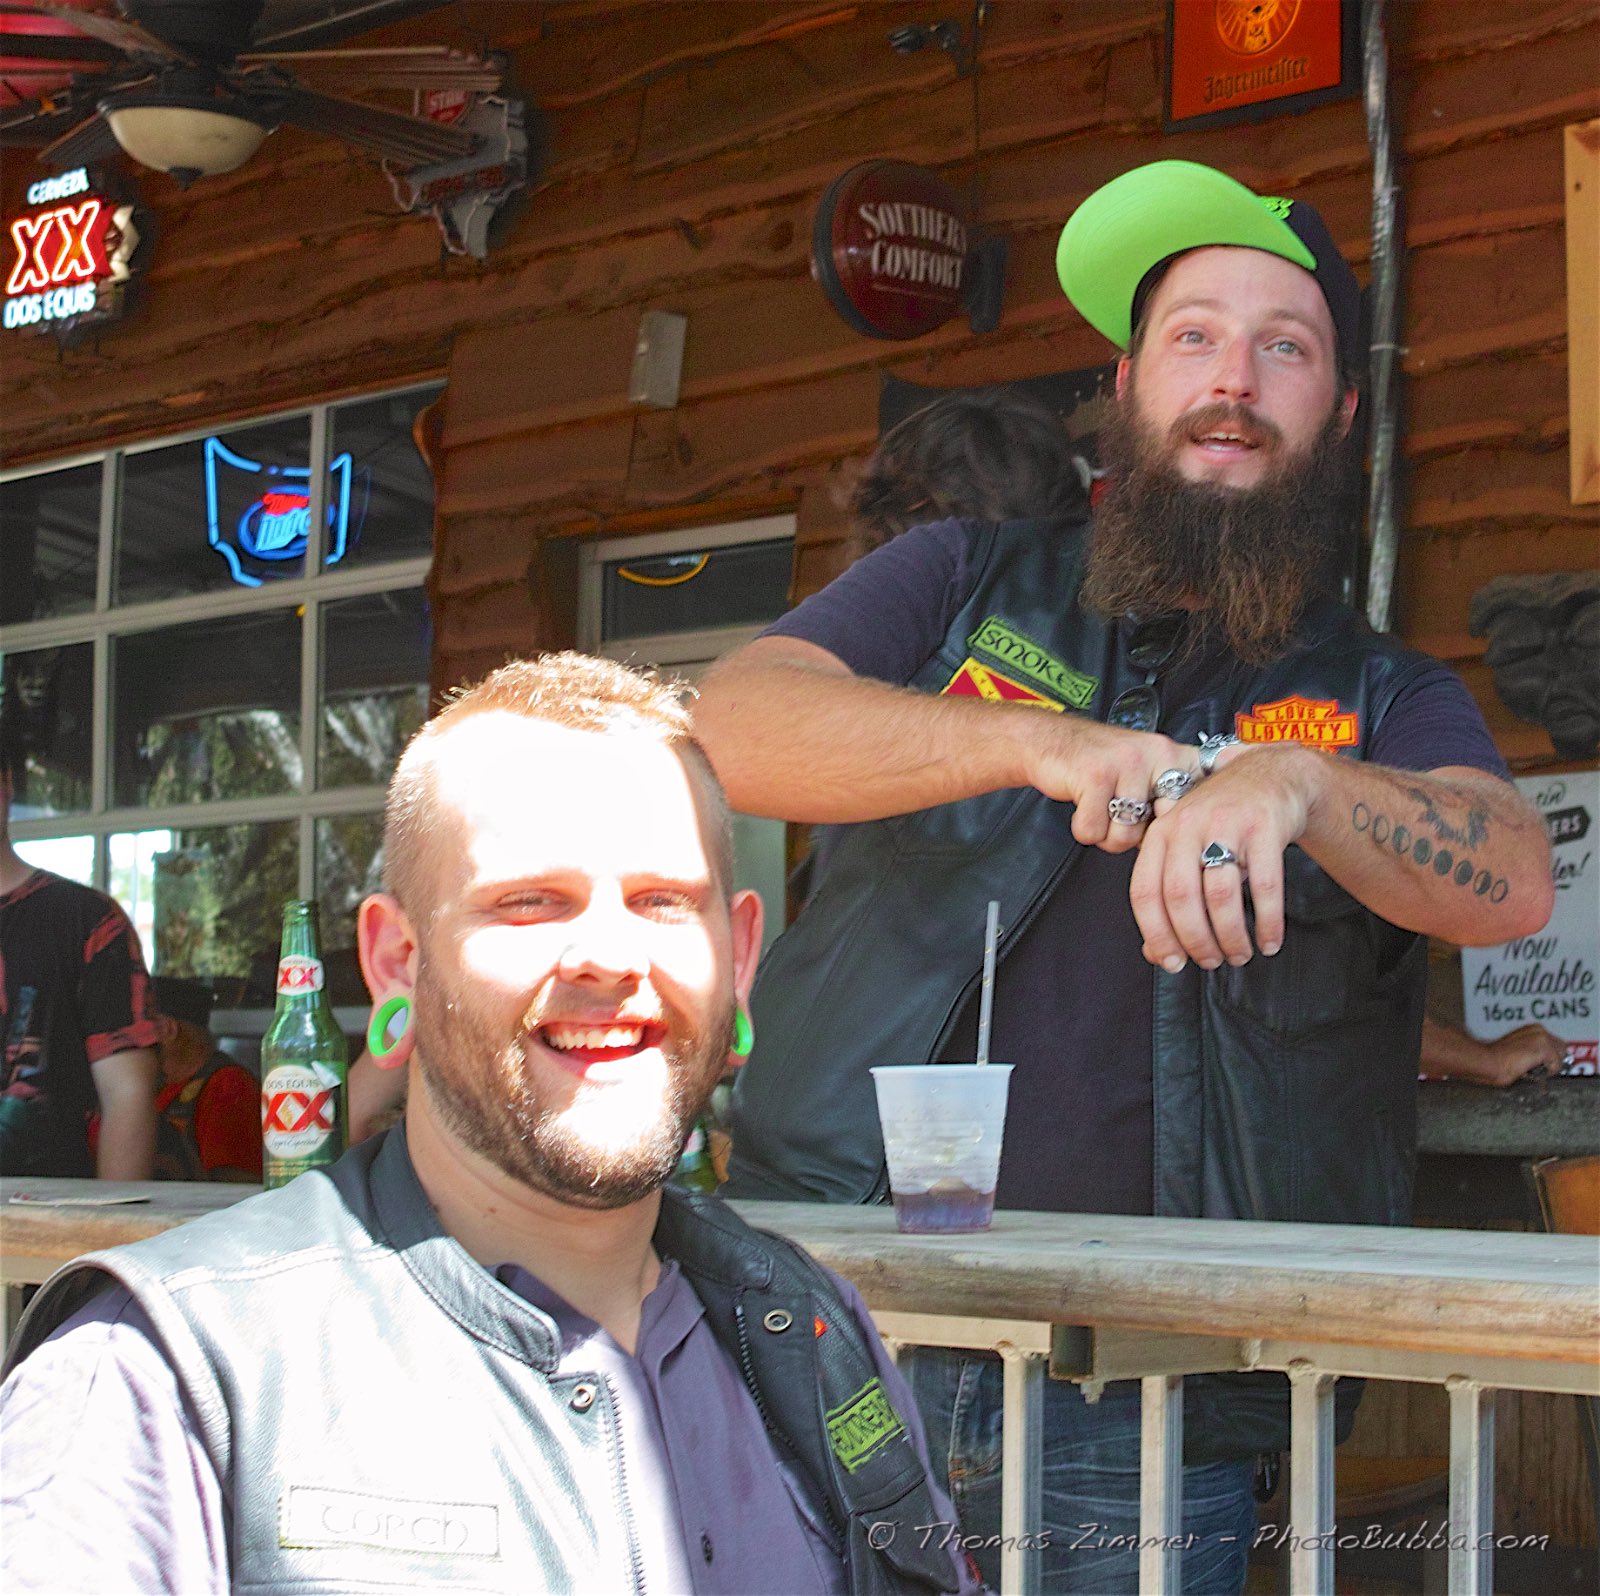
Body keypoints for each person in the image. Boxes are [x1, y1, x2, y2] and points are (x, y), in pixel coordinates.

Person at [694, 159, 1554, 1593]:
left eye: (1286, 347)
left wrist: (1300, 783)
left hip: (1155, 1391)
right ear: (1127, 384)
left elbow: (1511, 877)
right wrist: (1032, 742)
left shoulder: (1380, 692)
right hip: (849, 1327)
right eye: (1194, 336)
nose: (1234, 379)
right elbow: (730, 726)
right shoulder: (961, 578)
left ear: (1340, 413)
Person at [1, 653, 978, 1596]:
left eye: (662, 902)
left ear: (741, 955)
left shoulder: (813, 1330)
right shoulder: (158, 1381)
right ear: (396, 961)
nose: (609, 957)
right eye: (529, 903)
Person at [0, 746, 161, 1181]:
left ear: (7, 783)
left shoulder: (87, 920)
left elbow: (127, 1094)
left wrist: (112, 1219)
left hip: (40, 1214)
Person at [144, 976, 263, 1181]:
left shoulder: (227, 1086)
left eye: (135, 1029)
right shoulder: (154, 1087)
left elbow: (236, 1188)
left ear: (166, 1029)